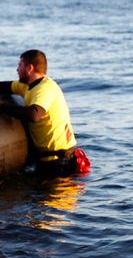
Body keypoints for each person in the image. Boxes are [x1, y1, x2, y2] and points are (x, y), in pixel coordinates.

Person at [0, 49, 90, 177]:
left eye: (20, 65)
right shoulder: (27, 86)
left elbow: (34, 115)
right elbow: (5, 86)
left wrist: (3, 106)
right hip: (47, 160)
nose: (17, 69)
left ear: (29, 68)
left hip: (60, 162)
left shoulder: (45, 88)